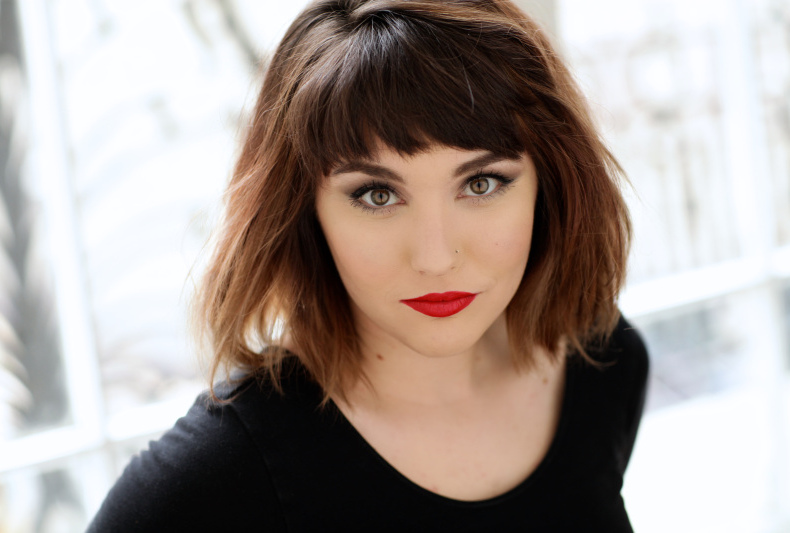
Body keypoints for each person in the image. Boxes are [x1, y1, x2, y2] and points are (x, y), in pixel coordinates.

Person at [87, 0, 649, 531]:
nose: (435, 258)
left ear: (549, 185)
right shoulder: (221, 472)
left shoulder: (602, 365)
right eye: (377, 195)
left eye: (481, 183)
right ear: (306, 210)